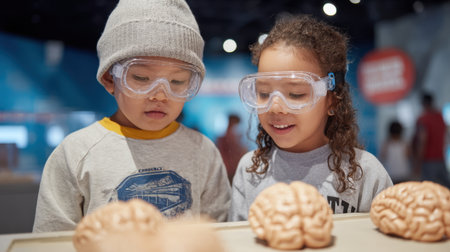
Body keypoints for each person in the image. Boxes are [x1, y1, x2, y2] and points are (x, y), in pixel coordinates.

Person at [33, 0, 231, 232]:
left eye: (177, 82)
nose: (160, 95)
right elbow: (50, 241)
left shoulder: (203, 151)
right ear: (109, 78)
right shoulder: (75, 153)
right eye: (141, 78)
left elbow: (219, 235)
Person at [228, 15, 393, 221]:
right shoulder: (250, 170)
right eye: (264, 93)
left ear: (331, 101)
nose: (276, 107)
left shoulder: (366, 173)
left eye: (296, 94)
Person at [413, 92, 450, 187]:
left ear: (423, 103)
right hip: (441, 159)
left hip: (428, 160)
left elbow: (422, 141)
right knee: (445, 189)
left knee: (428, 190)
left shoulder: (423, 119)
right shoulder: (440, 117)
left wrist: (418, 162)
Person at [216, 114, 248, 183]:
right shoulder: (227, 137)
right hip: (230, 168)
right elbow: (235, 152)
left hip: (230, 167)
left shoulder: (231, 135)